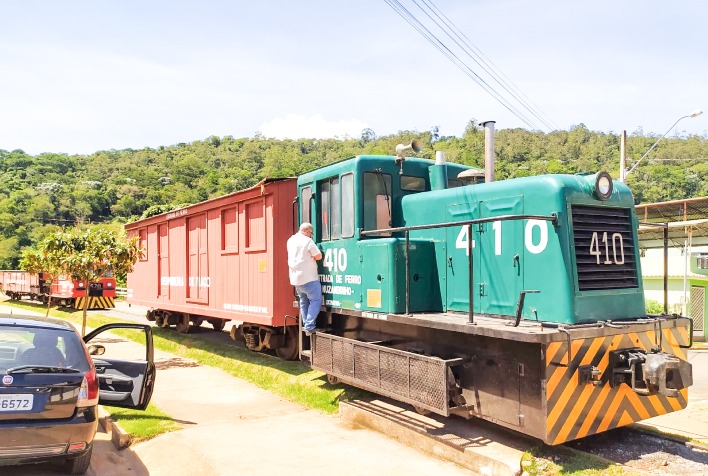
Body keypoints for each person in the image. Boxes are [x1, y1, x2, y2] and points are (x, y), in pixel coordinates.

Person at [287, 222, 323, 336]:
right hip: (309, 278)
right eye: (311, 233)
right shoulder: (308, 241)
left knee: (303, 301)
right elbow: (318, 256)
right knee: (316, 300)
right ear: (308, 232)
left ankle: (306, 325)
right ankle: (309, 326)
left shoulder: (290, 240)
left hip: (296, 279)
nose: (311, 236)